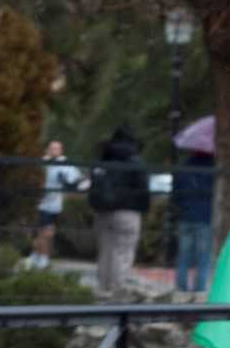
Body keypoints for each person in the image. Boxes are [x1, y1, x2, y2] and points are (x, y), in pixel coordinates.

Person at [87, 125, 149, 297]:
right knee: (123, 250)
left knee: (105, 250)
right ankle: (118, 289)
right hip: (127, 211)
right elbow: (142, 188)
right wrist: (143, 208)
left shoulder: (103, 160)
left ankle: (103, 288)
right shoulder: (134, 161)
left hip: (102, 211)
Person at [26, 140, 83, 271]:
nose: (55, 151)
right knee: (41, 233)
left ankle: (41, 259)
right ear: (47, 150)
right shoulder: (43, 163)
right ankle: (36, 257)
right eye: (52, 148)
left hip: (53, 205)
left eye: (57, 149)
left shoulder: (64, 164)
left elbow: (74, 178)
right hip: (41, 203)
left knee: (46, 232)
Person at [170, 149, 213, 297]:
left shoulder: (183, 167)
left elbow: (175, 194)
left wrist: (183, 206)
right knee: (203, 258)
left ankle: (181, 290)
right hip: (205, 217)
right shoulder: (213, 168)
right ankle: (199, 291)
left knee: (183, 256)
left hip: (186, 216)